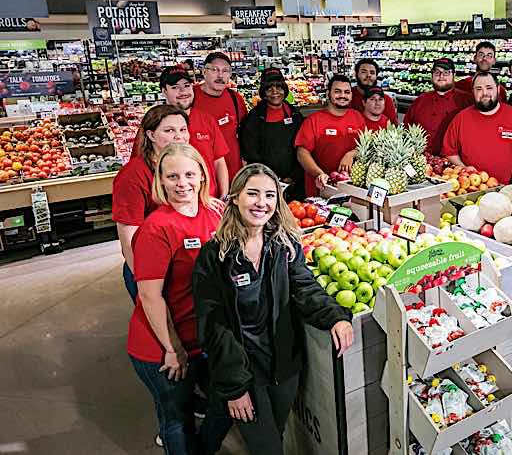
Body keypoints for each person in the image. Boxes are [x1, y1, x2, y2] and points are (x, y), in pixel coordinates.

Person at [193, 164, 354, 454]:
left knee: (275, 434)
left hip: (284, 367)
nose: (261, 203)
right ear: (235, 197)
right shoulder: (214, 256)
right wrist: (234, 387)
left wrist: (336, 317)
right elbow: (213, 327)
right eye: (252, 193)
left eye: (269, 195)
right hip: (244, 370)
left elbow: (305, 287)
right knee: (268, 448)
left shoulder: (284, 244)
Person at [127, 143, 221, 454]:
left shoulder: (215, 212)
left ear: (202, 176)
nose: (182, 184)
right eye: (173, 176)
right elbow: (149, 296)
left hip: (200, 337)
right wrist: (173, 349)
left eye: (190, 174)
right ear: (160, 180)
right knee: (177, 420)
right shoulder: (157, 228)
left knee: (220, 405)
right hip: (161, 345)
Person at [113, 105, 189, 302]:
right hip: (152, 268)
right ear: (151, 135)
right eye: (169, 130)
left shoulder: (189, 166)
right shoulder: (133, 175)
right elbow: (129, 239)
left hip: (184, 264)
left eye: (183, 129)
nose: (179, 136)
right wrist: (144, 285)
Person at [442, 72, 512, 185]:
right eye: (478, 89)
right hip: (471, 188)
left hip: (507, 190)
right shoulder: (461, 118)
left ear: (498, 89)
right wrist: (464, 169)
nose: (484, 93)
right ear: (473, 92)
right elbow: (450, 152)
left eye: (489, 88)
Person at [155, 66, 230, 198]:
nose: (183, 91)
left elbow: (219, 162)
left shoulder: (207, 120)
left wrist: (223, 196)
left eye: (186, 85)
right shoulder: (154, 124)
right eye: (175, 87)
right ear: (164, 91)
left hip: (209, 202)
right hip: (172, 203)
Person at [239, 68, 305, 202]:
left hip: (295, 183)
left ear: (285, 89)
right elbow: (250, 153)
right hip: (265, 184)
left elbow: (303, 148)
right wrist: (270, 178)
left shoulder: (295, 114)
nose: (275, 92)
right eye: (269, 88)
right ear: (263, 92)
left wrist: (293, 177)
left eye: (279, 87)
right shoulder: (254, 118)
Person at [295, 74, 366, 196]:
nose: (342, 96)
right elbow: (302, 153)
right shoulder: (314, 120)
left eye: (347, 92)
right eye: (337, 91)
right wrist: (319, 174)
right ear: (329, 93)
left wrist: (351, 154)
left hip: (351, 188)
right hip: (320, 189)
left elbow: (365, 146)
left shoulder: (357, 117)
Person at [193, 52, 248, 179]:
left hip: (233, 171)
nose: (220, 75)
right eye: (214, 70)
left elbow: (245, 133)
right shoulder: (191, 97)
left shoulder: (235, 98)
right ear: (204, 71)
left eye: (225, 71)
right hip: (201, 173)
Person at [404, 58, 472, 155]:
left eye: (446, 72)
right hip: (423, 160)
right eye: (437, 72)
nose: (441, 76)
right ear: (432, 76)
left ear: (454, 75)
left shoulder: (467, 101)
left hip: (455, 164)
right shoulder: (420, 101)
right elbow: (406, 129)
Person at [349, 58, 399, 124]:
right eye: (364, 72)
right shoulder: (347, 96)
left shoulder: (386, 100)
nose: (368, 75)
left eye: (372, 73)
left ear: (376, 76)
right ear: (356, 74)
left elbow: (393, 126)